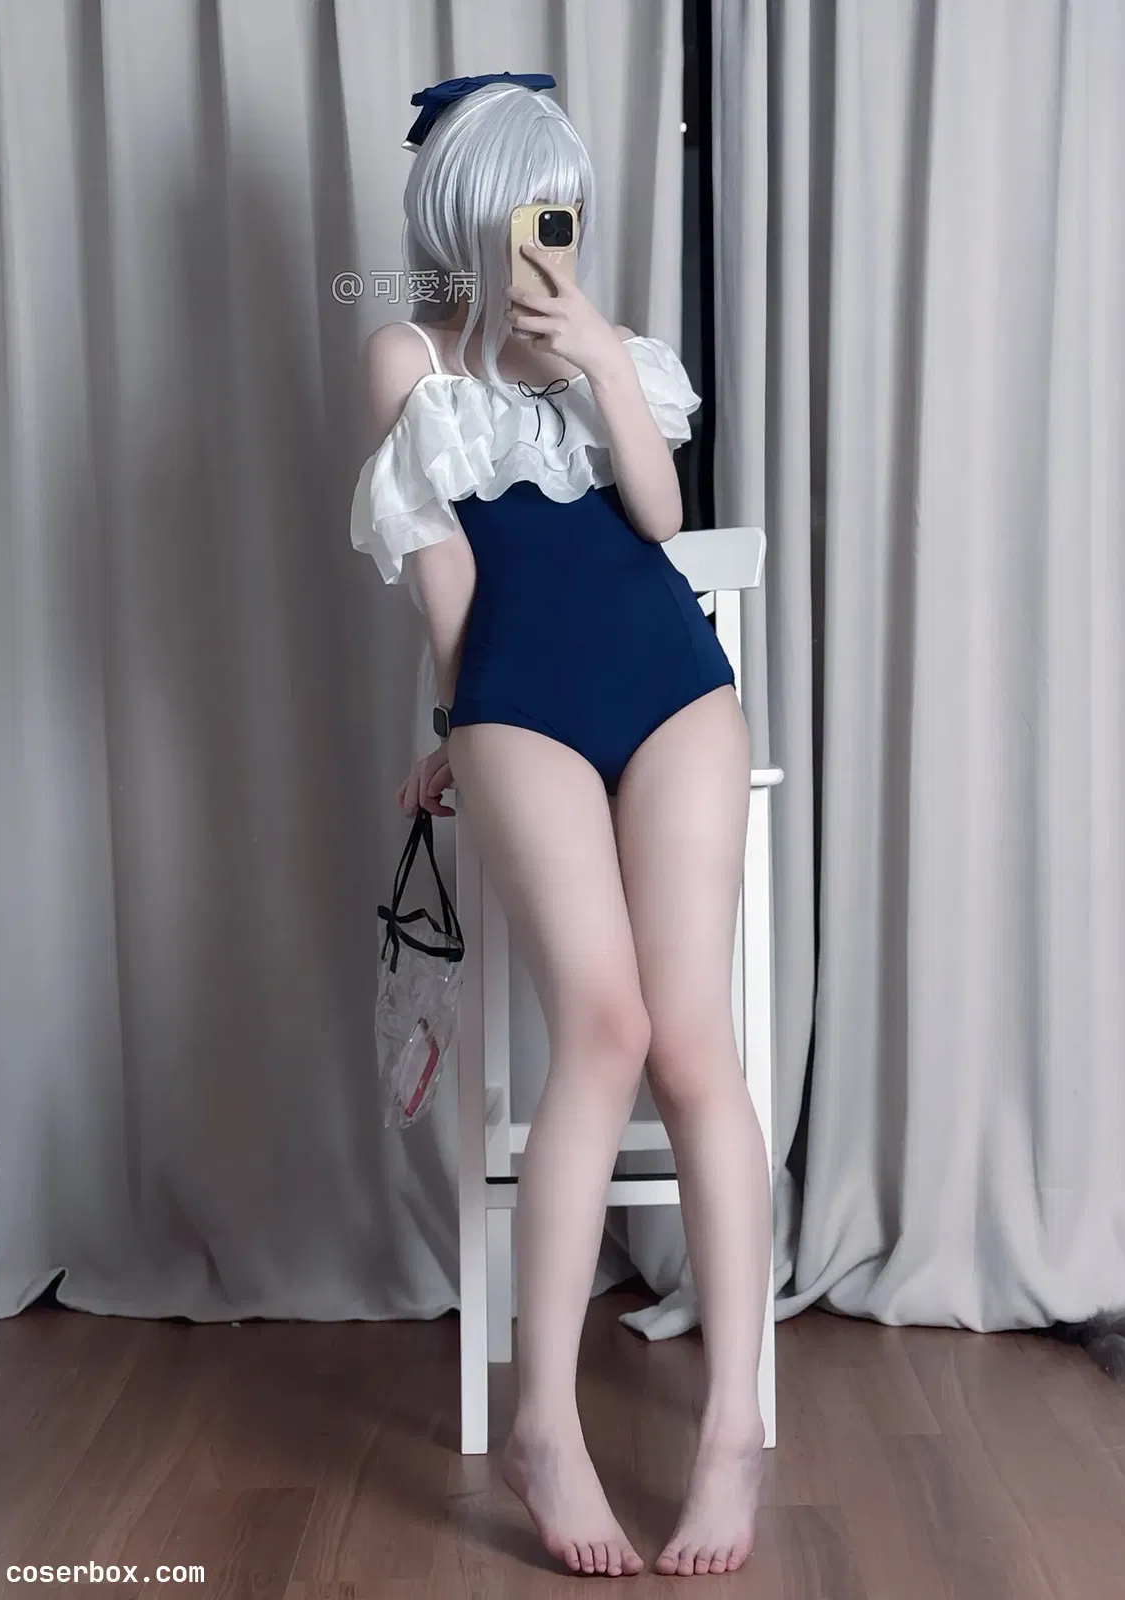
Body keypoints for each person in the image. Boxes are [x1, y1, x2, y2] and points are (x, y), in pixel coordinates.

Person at [351, 74, 773, 1580]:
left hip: (672, 681)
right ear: (469, 210)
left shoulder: (607, 343)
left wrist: (595, 353)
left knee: (693, 1044)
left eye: (568, 211)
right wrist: (451, 729)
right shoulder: (406, 354)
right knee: (602, 1025)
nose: (553, 236)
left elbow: (657, 521)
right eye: (534, 208)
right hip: (521, 694)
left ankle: (731, 1433)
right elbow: (444, 570)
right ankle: (545, 1424)